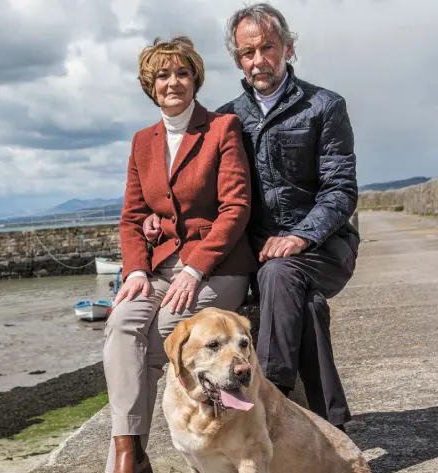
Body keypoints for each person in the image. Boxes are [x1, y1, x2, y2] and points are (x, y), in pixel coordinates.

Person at [143, 3, 360, 431]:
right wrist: (159, 217)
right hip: (260, 255)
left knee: (281, 273)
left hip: (324, 247)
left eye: (268, 48)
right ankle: (332, 425)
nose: (258, 60)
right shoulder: (226, 118)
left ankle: (266, 394)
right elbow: (205, 194)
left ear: (288, 48)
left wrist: (300, 236)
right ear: (237, 58)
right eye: (247, 52)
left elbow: (341, 190)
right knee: (307, 305)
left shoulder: (325, 106)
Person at [91, 36, 257, 473]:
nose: (172, 83)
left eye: (181, 73)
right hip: (158, 266)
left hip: (218, 266)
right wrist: (138, 268)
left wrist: (193, 266)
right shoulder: (143, 142)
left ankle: (128, 465)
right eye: (162, 76)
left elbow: (236, 208)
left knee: (167, 332)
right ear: (151, 85)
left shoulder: (222, 128)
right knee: (122, 325)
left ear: (195, 79)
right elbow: (131, 217)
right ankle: (128, 457)